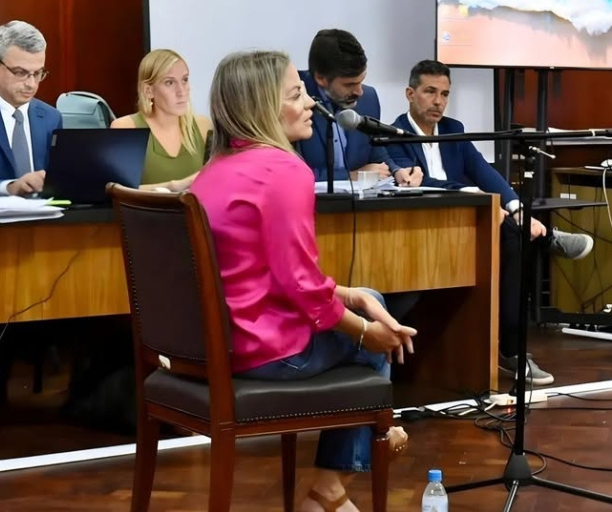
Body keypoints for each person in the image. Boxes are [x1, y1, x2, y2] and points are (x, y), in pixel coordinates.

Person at [190, 50, 414, 512]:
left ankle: (340, 476)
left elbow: (272, 273)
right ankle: (331, 485)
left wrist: (351, 297)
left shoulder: (214, 170)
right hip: (265, 352)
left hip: (214, 345)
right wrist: (366, 332)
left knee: (368, 298)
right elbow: (301, 288)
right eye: (296, 94)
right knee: (373, 339)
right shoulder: (285, 170)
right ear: (263, 108)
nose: (310, 102)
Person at [387, 60, 596, 385]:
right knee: (511, 233)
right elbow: (422, 184)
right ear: (410, 94)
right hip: (425, 231)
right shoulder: (393, 136)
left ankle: (513, 350)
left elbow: (483, 171)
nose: (439, 101)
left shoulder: (454, 129)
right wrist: (477, 196)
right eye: (430, 92)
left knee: (513, 231)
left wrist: (516, 208)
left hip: (469, 224)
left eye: (445, 94)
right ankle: (547, 241)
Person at [294, 29, 418, 183]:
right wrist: (351, 175)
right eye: (349, 84)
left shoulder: (369, 98)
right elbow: (291, 172)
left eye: (361, 81)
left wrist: (397, 171)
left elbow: (376, 153)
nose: (359, 92)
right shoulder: (293, 100)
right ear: (321, 78)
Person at [112, 49, 211, 192]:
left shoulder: (203, 126)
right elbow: (118, 191)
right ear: (148, 91)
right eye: (169, 82)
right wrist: (173, 186)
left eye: (185, 80)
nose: (182, 91)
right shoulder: (126, 127)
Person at [0, 20, 61, 197]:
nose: (31, 84)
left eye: (38, 73)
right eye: (20, 72)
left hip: (43, 213)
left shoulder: (51, 118)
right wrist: (8, 187)